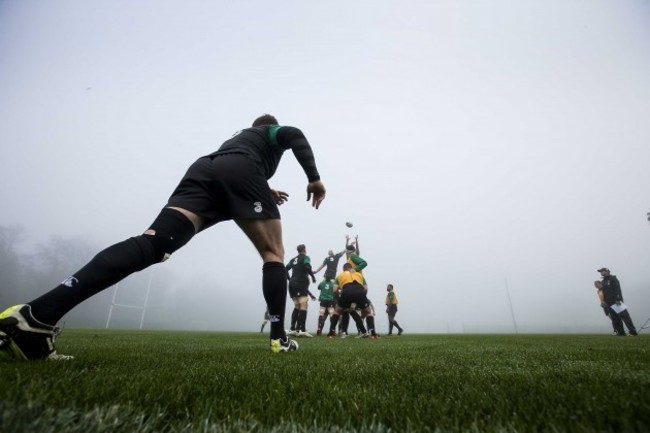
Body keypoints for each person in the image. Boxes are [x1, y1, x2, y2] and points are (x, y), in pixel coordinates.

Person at [0, 114, 326, 360]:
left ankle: (35, 316)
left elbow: (233, 170)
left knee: (154, 244)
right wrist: (313, 179)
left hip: (203, 171)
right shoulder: (267, 130)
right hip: (239, 173)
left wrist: (265, 188)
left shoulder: (237, 142)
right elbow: (293, 134)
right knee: (273, 253)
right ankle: (279, 339)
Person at [327, 263, 378, 340]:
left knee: (337, 311)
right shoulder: (359, 275)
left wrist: (338, 299)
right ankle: (373, 334)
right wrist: (361, 300)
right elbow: (366, 289)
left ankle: (331, 333)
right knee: (368, 312)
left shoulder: (340, 275)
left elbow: (334, 290)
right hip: (360, 291)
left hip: (346, 291)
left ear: (343, 269)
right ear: (352, 268)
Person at [286, 244, 317, 337]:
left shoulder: (293, 259)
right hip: (300, 283)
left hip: (292, 285)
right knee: (304, 305)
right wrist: (313, 276)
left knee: (297, 306)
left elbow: (285, 268)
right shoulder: (305, 257)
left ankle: (292, 329)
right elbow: (307, 266)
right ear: (304, 250)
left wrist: (290, 279)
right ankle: (301, 329)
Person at [597, 268, 638, 336]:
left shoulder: (613, 279)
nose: (601, 273)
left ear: (607, 271)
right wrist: (603, 301)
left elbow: (617, 289)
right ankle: (621, 332)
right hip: (609, 303)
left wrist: (618, 299)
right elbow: (603, 292)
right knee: (615, 318)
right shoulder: (603, 281)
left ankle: (633, 332)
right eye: (600, 272)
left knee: (625, 316)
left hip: (616, 301)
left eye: (602, 271)